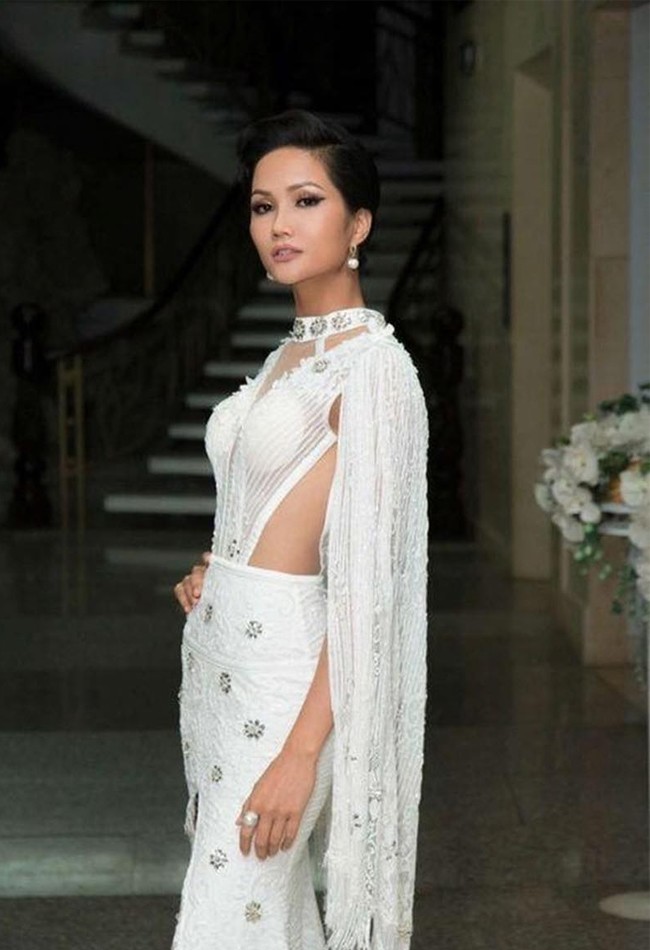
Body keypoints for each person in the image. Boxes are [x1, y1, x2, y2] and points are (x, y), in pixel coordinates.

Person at [171, 109, 429, 950]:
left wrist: (300, 756)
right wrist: (219, 570)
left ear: (358, 225)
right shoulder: (286, 356)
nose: (279, 224)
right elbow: (273, 509)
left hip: (290, 698)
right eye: (262, 206)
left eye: (306, 201)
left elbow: (370, 592)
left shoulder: (376, 371)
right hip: (223, 671)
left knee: (222, 918)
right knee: (262, 921)